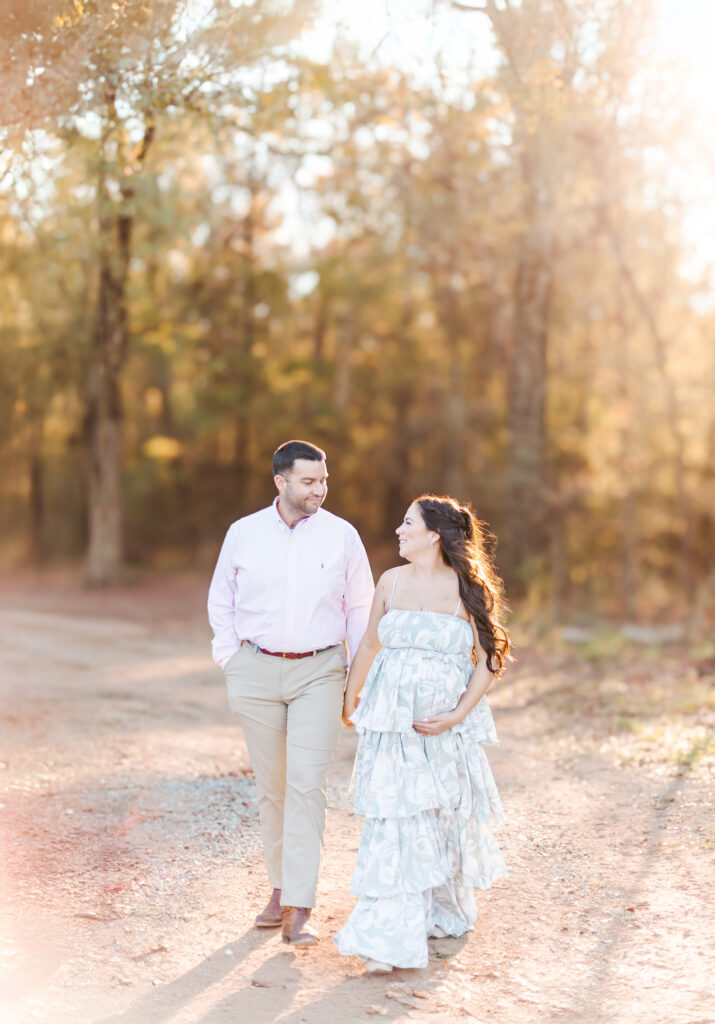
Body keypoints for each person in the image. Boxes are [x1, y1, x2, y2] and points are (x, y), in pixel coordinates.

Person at [207, 440, 374, 946]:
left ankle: (300, 902)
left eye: (324, 480)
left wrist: (357, 677)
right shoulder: (243, 533)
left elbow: (361, 609)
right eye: (308, 481)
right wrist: (230, 660)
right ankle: (279, 888)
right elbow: (222, 598)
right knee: (273, 787)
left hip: (319, 672)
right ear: (280, 482)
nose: (319, 490)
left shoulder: (343, 536)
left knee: (306, 783)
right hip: (254, 671)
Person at [334, 494, 509, 973]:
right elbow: (370, 643)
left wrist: (457, 715)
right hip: (394, 725)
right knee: (397, 821)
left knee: (441, 818)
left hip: (444, 731)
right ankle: (387, 938)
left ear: (434, 534)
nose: (398, 530)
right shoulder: (390, 581)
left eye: (407, 523)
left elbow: (490, 661)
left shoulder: (467, 588)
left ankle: (438, 908)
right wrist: (352, 696)